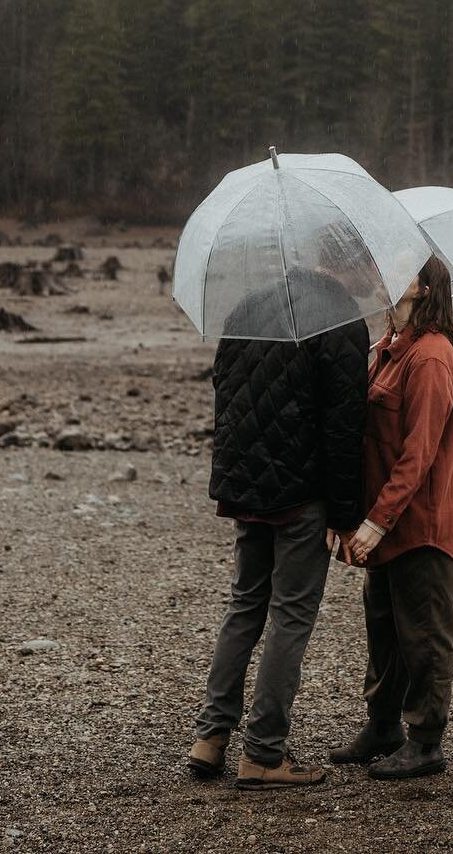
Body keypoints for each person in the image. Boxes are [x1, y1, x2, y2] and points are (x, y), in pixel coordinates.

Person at [187, 263, 369, 789]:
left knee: (244, 606)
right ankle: (264, 751)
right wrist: (344, 513)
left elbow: (226, 391)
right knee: (291, 616)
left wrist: (238, 478)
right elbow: (344, 428)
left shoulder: (246, 305)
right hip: (301, 495)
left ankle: (211, 736)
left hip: (246, 490)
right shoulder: (340, 319)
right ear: (340, 262)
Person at [331, 253, 453, 780]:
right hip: (388, 521)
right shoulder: (391, 350)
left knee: (424, 635)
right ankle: (383, 727)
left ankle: (426, 740)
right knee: (385, 629)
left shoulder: (433, 358)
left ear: (425, 288)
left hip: (422, 526)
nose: (388, 282)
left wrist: (376, 522)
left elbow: (419, 454)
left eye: (402, 275)